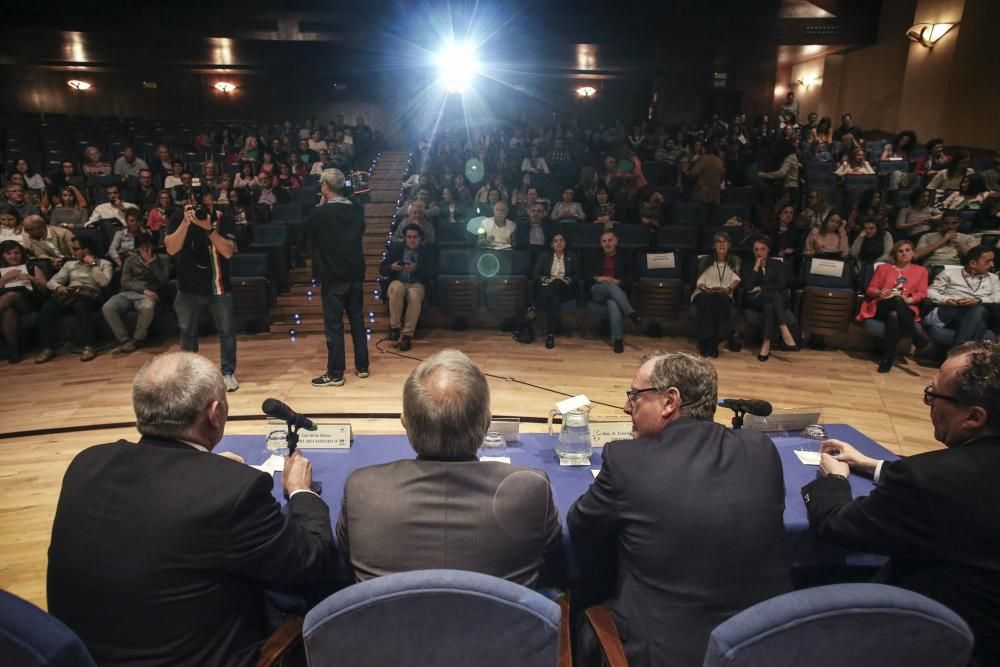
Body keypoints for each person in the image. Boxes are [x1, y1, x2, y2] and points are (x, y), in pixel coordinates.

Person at [47, 351, 338, 667]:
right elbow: (311, 560)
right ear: (215, 413)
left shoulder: (87, 463)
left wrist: (208, 471)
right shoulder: (231, 492)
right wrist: (300, 491)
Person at [569, 351, 791, 667]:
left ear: (670, 401)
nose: (626, 406)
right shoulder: (761, 450)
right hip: (763, 651)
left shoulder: (627, 461)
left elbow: (580, 524)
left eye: (635, 396)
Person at [803, 341, 1000, 667]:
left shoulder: (927, 481)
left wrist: (834, 479)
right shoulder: (937, 476)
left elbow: (837, 524)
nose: (930, 405)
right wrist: (870, 464)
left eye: (934, 395)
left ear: (974, 417)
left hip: (951, 644)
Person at [336, 349, 561, 587]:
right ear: (486, 424)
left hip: (386, 625)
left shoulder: (362, 489)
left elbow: (342, 548)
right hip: (501, 625)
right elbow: (553, 547)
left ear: (405, 424)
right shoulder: (530, 491)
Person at [165, 193, 240, 391]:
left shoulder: (224, 219)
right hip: (188, 287)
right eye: (194, 201)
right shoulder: (177, 217)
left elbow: (228, 251)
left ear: (211, 201)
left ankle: (228, 373)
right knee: (187, 333)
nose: (199, 205)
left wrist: (209, 229)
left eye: (204, 200)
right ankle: (190, 375)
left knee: (227, 331)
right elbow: (171, 249)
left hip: (218, 285)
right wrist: (186, 224)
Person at [307, 168, 369, 387]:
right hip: (355, 273)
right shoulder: (357, 209)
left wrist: (321, 204)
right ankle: (362, 367)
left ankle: (335, 373)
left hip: (332, 276)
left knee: (334, 326)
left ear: (325, 186)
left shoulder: (319, 214)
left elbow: (310, 237)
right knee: (357, 321)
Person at [856, 240, 931, 373]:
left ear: (913, 253)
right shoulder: (884, 268)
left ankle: (888, 359)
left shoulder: (921, 271)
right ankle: (916, 337)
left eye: (908, 250)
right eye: (900, 251)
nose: (904, 253)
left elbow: (922, 293)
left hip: (907, 307)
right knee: (895, 301)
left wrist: (909, 299)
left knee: (894, 315)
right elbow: (870, 289)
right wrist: (879, 292)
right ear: (894, 255)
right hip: (882, 304)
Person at [35, 236, 112, 364]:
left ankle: (90, 346)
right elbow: (51, 282)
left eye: (76, 249)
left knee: (80, 306)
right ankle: (48, 347)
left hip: (90, 296)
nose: (73, 252)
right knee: (47, 307)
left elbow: (103, 282)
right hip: (70, 294)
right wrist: (59, 287)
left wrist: (92, 264)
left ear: (86, 250)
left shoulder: (104, 263)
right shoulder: (70, 264)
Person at [102, 233, 171, 355]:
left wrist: (150, 261)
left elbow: (163, 279)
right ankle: (124, 340)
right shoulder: (130, 260)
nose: (145, 249)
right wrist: (144, 290)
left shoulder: (163, 259)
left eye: (147, 245)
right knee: (108, 307)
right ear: (137, 248)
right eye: (141, 246)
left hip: (147, 296)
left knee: (147, 307)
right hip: (128, 293)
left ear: (152, 246)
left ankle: (137, 339)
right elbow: (125, 282)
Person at [741, 234, 799, 361]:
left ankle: (765, 344)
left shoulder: (778, 264)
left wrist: (761, 287)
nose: (759, 252)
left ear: (768, 250)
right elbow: (748, 286)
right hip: (755, 300)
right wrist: (756, 267)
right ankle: (784, 329)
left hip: (772, 299)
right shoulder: (747, 264)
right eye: (756, 250)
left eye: (762, 249)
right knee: (774, 295)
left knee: (769, 305)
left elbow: (782, 284)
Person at [926, 246, 1000, 343]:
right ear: (973, 263)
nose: (992, 264)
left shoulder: (993, 278)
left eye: (993, 260)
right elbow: (930, 292)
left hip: (979, 316)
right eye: (988, 261)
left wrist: (979, 300)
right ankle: (968, 348)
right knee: (986, 334)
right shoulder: (949, 274)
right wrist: (947, 300)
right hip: (952, 316)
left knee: (979, 310)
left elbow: (998, 297)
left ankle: (959, 349)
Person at [380, 223, 434, 352]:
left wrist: (416, 269)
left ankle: (407, 335)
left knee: (414, 295)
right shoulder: (395, 249)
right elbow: (382, 269)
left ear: (420, 238)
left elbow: (432, 272)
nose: (412, 240)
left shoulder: (427, 251)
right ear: (405, 238)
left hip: (417, 284)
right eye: (409, 237)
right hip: (397, 281)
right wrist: (392, 267)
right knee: (398, 288)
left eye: (415, 237)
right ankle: (395, 328)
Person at [586, 230, 640, 353]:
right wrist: (598, 278)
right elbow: (585, 273)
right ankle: (631, 312)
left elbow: (633, 275)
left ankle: (618, 341)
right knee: (610, 287)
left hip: (617, 291)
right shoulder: (594, 255)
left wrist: (618, 281)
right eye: (604, 241)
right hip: (598, 290)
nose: (607, 243)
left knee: (613, 303)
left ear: (616, 242)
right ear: (601, 243)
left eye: (610, 240)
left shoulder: (625, 255)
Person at [692, 232, 741, 357]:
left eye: (724, 241)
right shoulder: (707, 261)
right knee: (709, 299)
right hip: (704, 293)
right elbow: (699, 281)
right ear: (714, 245)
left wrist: (728, 288)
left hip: (724, 293)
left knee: (721, 299)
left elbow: (737, 280)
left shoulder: (734, 262)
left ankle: (708, 342)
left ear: (729, 245)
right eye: (718, 241)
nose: (721, 244)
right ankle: (712, 342)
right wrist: (705, 288)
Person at [0, 239, 48, 363]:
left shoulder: (32, 266)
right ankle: (14, 351)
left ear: (22, 254)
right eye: (9, 253)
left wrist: (31, 278)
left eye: (16, 253)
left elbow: (46, 288)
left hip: (29, 302)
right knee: (8, 312)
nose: (13, 256)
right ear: (2, 255)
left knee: (12, 295)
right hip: (6, 304)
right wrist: (4, 280)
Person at [531, 232, 578, 349]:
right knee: (553, 298)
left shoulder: (571, 256)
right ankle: (550, 336)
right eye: (555, 241)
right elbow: (535, 273)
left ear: (565, 243)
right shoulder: (545, 255)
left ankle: (534, 308)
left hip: (565, 289)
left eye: (561, 240)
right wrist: (545, 279)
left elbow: (578, 274)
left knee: (557, 282)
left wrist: (569, 279)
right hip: (548, 289)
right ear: (551, 244)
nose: (558, 243)